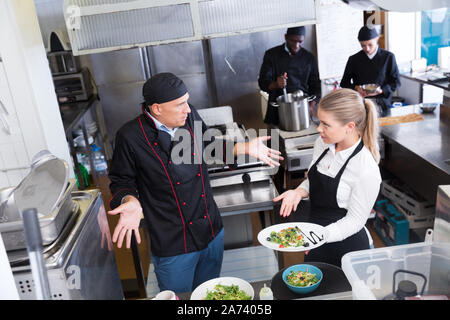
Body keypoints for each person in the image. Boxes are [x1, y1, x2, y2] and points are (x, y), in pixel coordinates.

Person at [107, 72, 283, 293]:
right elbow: (121, 180)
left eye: (187, 102)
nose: (188, 109)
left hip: (209, 228)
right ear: (157, 108)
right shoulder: (130, 136)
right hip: (173, 240)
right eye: (180, 104)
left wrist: (244, 148)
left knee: (208, 294)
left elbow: (210, 148)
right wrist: (130, 200)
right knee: (178, 298)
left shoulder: (189, 118)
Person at [273, 88, 382, 267]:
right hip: (316, 239)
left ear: (349, 127)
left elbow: (355, 221)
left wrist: (318, 236)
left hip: (348, 249)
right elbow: (314, 180)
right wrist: (298, 192)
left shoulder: (366, 168)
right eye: (319, 122)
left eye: (326, 124)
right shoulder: (322, 144)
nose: (318, 129)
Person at [258, 26, 321, 126]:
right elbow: (262, 83)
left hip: (302, 111)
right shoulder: (271, 55)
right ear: (286, 37)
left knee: (299, 140)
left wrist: (311, 105)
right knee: (275, 140)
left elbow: (316, 85)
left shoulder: (309, 58)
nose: (296, 45)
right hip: (277, 112)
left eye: (300, 42)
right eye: (293, 41)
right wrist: (276, 84)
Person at [340, 25, 401, 116]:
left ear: (376, 39)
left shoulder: (388, 57)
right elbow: (344, 83)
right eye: (363, 45)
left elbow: (396, 82)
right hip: (360, 105)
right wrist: (356, 88)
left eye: (370, 44)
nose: (367, 49)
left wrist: (382, 90)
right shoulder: (354, 59)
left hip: (382, 105)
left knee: (384, 129)